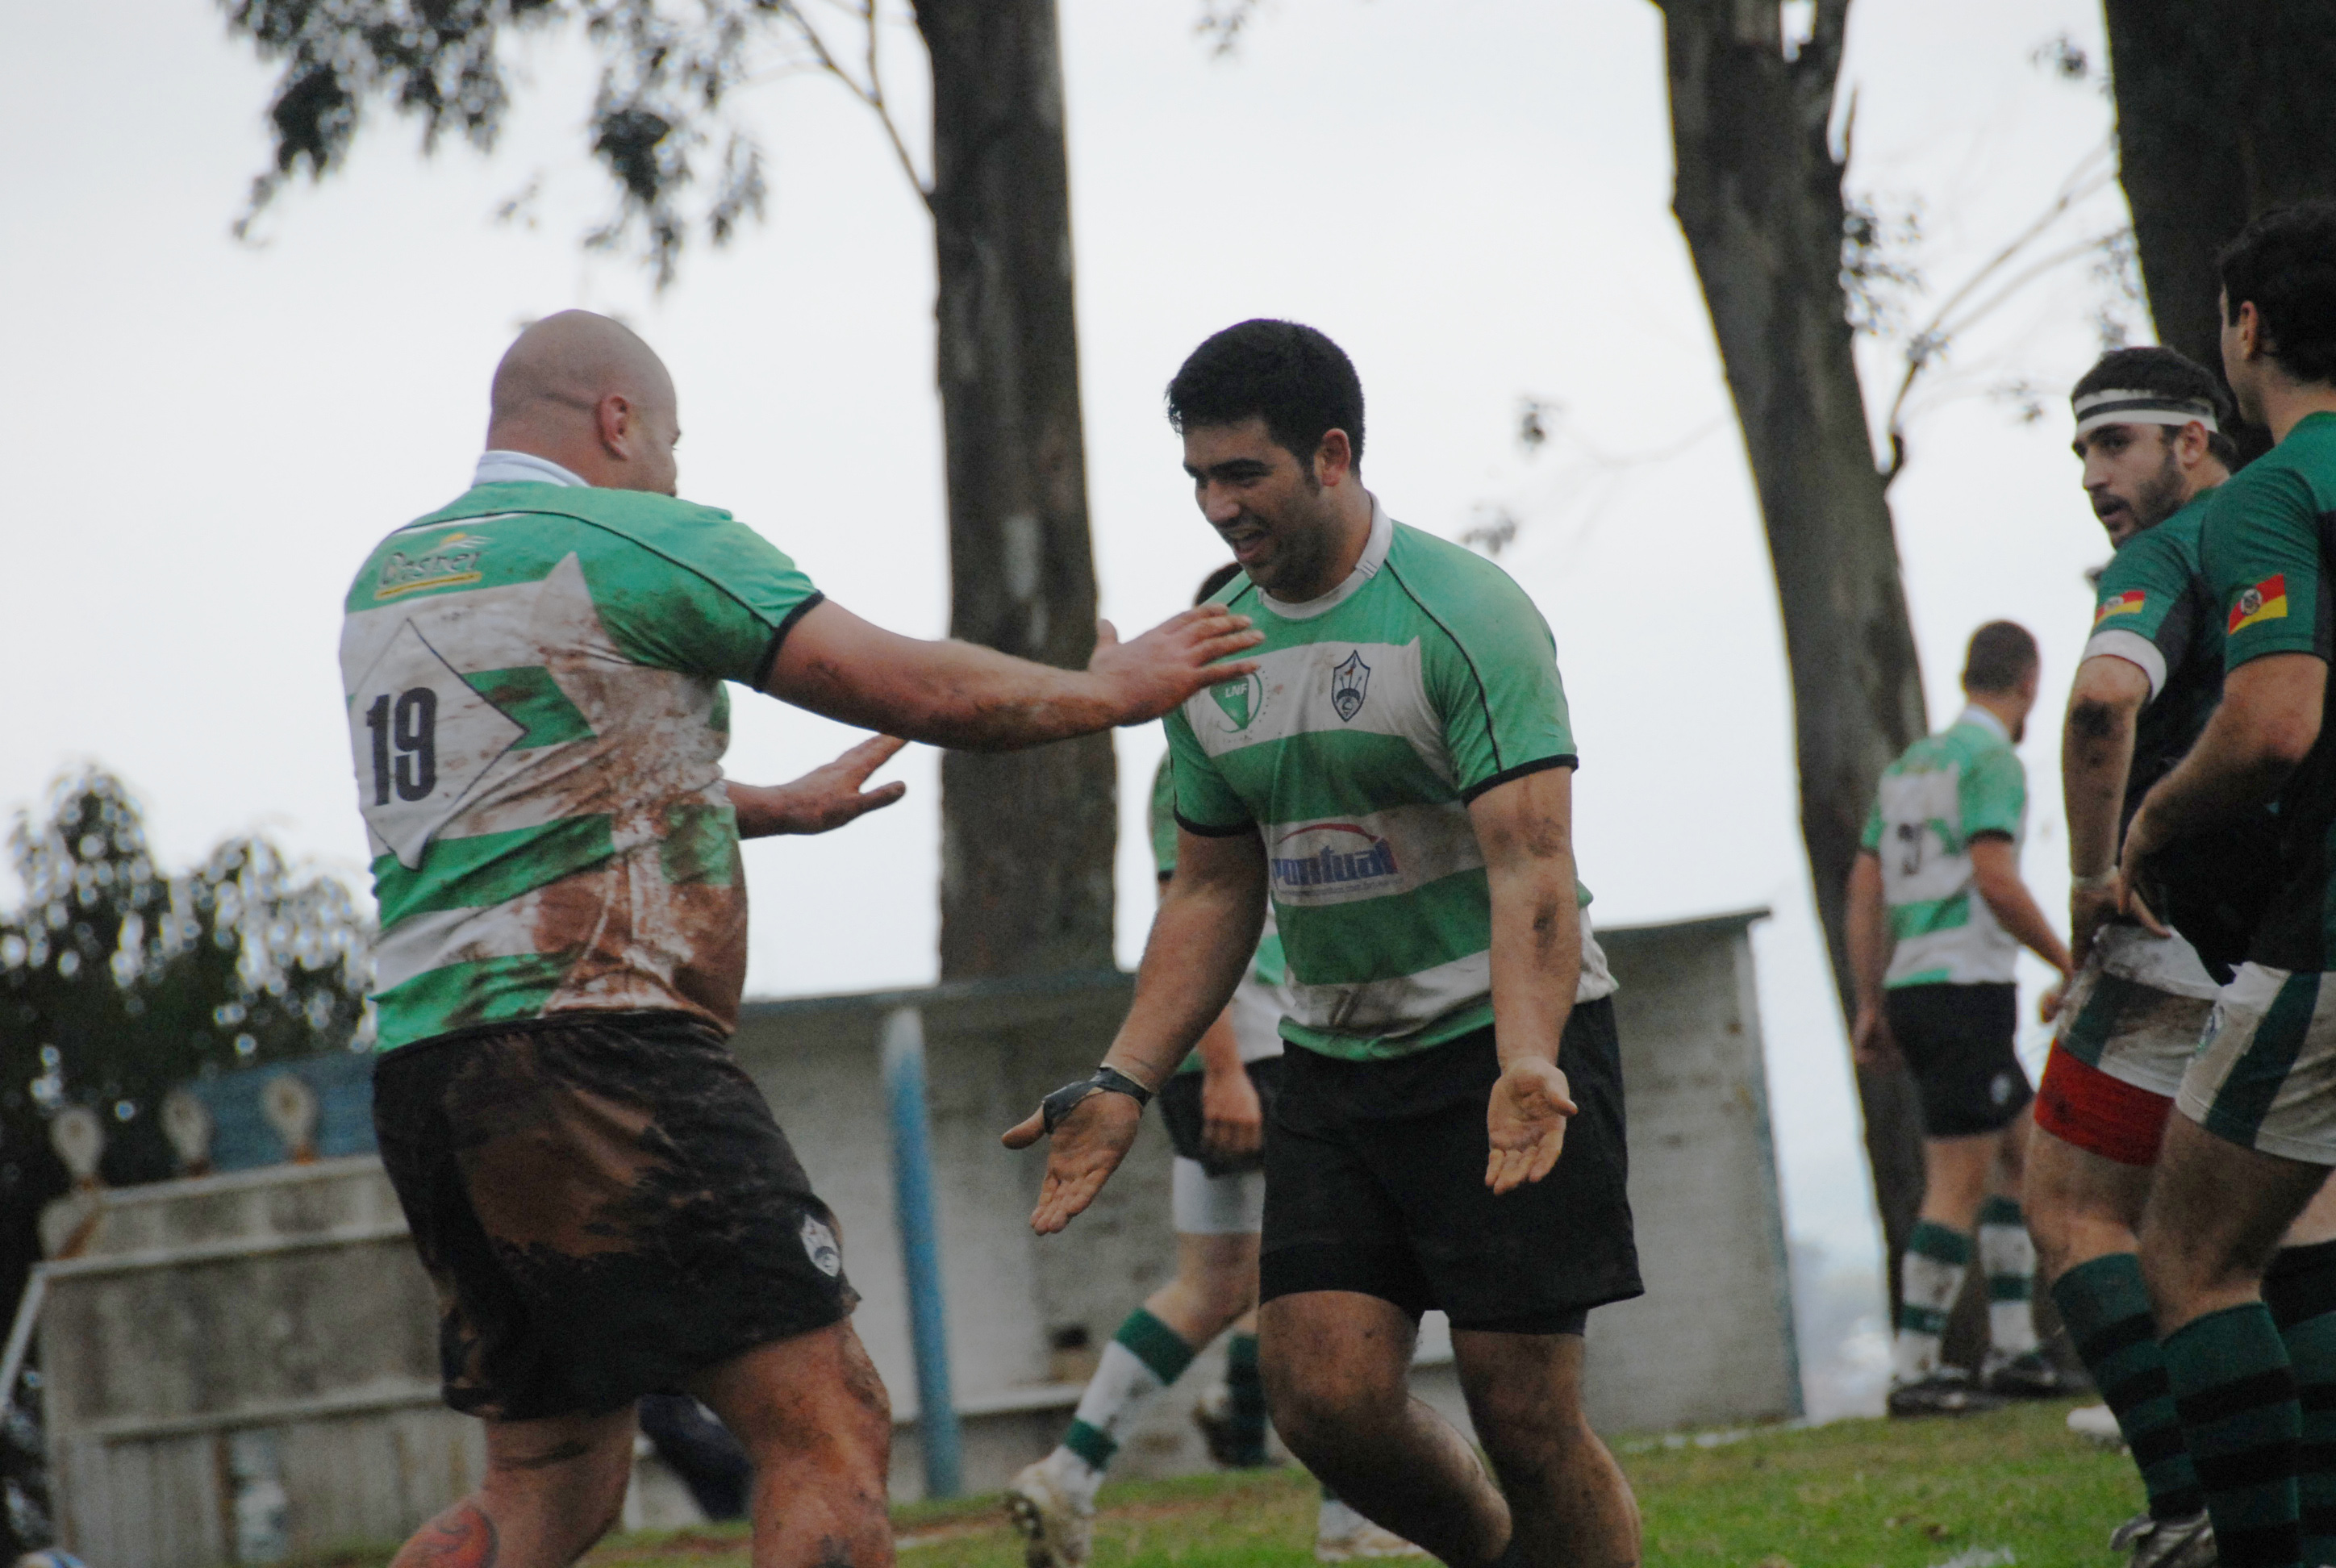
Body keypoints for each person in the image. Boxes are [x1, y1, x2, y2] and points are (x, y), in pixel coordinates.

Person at [340, 310, 1262, 1568]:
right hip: (603, 1050)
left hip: (429, 1067)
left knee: (544, 1488)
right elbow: (914, 685)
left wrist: (771, 809)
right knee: (827, 1424)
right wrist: (1112, 690)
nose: (673, 470)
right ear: (618, 422)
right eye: (667, 442)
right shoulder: (640, 537)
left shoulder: (396, 576)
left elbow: (518, 799)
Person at [1004, 319, 1644, 1568]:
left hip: (1501, 1057)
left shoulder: (1464, 614)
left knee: (1525, 1413)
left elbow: (1533, 867)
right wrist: (1128, 1076)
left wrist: (1525, 1057)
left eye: (1243, 474)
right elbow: (1208, 891)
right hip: (1338, 1068)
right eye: (1197, 477)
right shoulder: (1212, 654)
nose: (1216, 506)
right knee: (1323, 1403)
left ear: (1333, 456)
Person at [1005, 565, 1422, 1568]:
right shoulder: (1201, 752)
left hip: (1221, 1057)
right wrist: (1226, 1067)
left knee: (1215, 1285)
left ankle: (1069, 1475)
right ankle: (1344, 1521)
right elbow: (1181, 912)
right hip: (1253, 1051)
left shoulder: (1255, 739)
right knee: (1341, 1277)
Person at [2121, 202, 2336, 1568]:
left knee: (2191, 1252)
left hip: (2323, 935)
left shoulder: (2274, 488)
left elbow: (2270, 720)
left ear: (2247, 329)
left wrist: (2148, 819)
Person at [2029, 347, 2250, 1568]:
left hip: (2172, 933)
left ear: (2192, 437)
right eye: (2079, 451)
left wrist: (2090, 878)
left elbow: (2102, 704)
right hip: (2288, 938)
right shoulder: (2295, 526)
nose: (2091, 475)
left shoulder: (2165, 557)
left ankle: (2190, 1506)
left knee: (2072, 1212)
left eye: (2115, 444)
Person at [1846, 621, 2075, 1416]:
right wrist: (2066, 958)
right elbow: (1994, 879)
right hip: (1964, 987)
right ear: (2028, 683)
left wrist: (1872, 1001)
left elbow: (1864, 886)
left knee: (2023, 1155)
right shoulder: (1991, 762)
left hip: (1918, 988)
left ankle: (2013, 1351)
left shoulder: (1911, 763)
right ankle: (1914, 1369)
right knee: (1958, 1182)